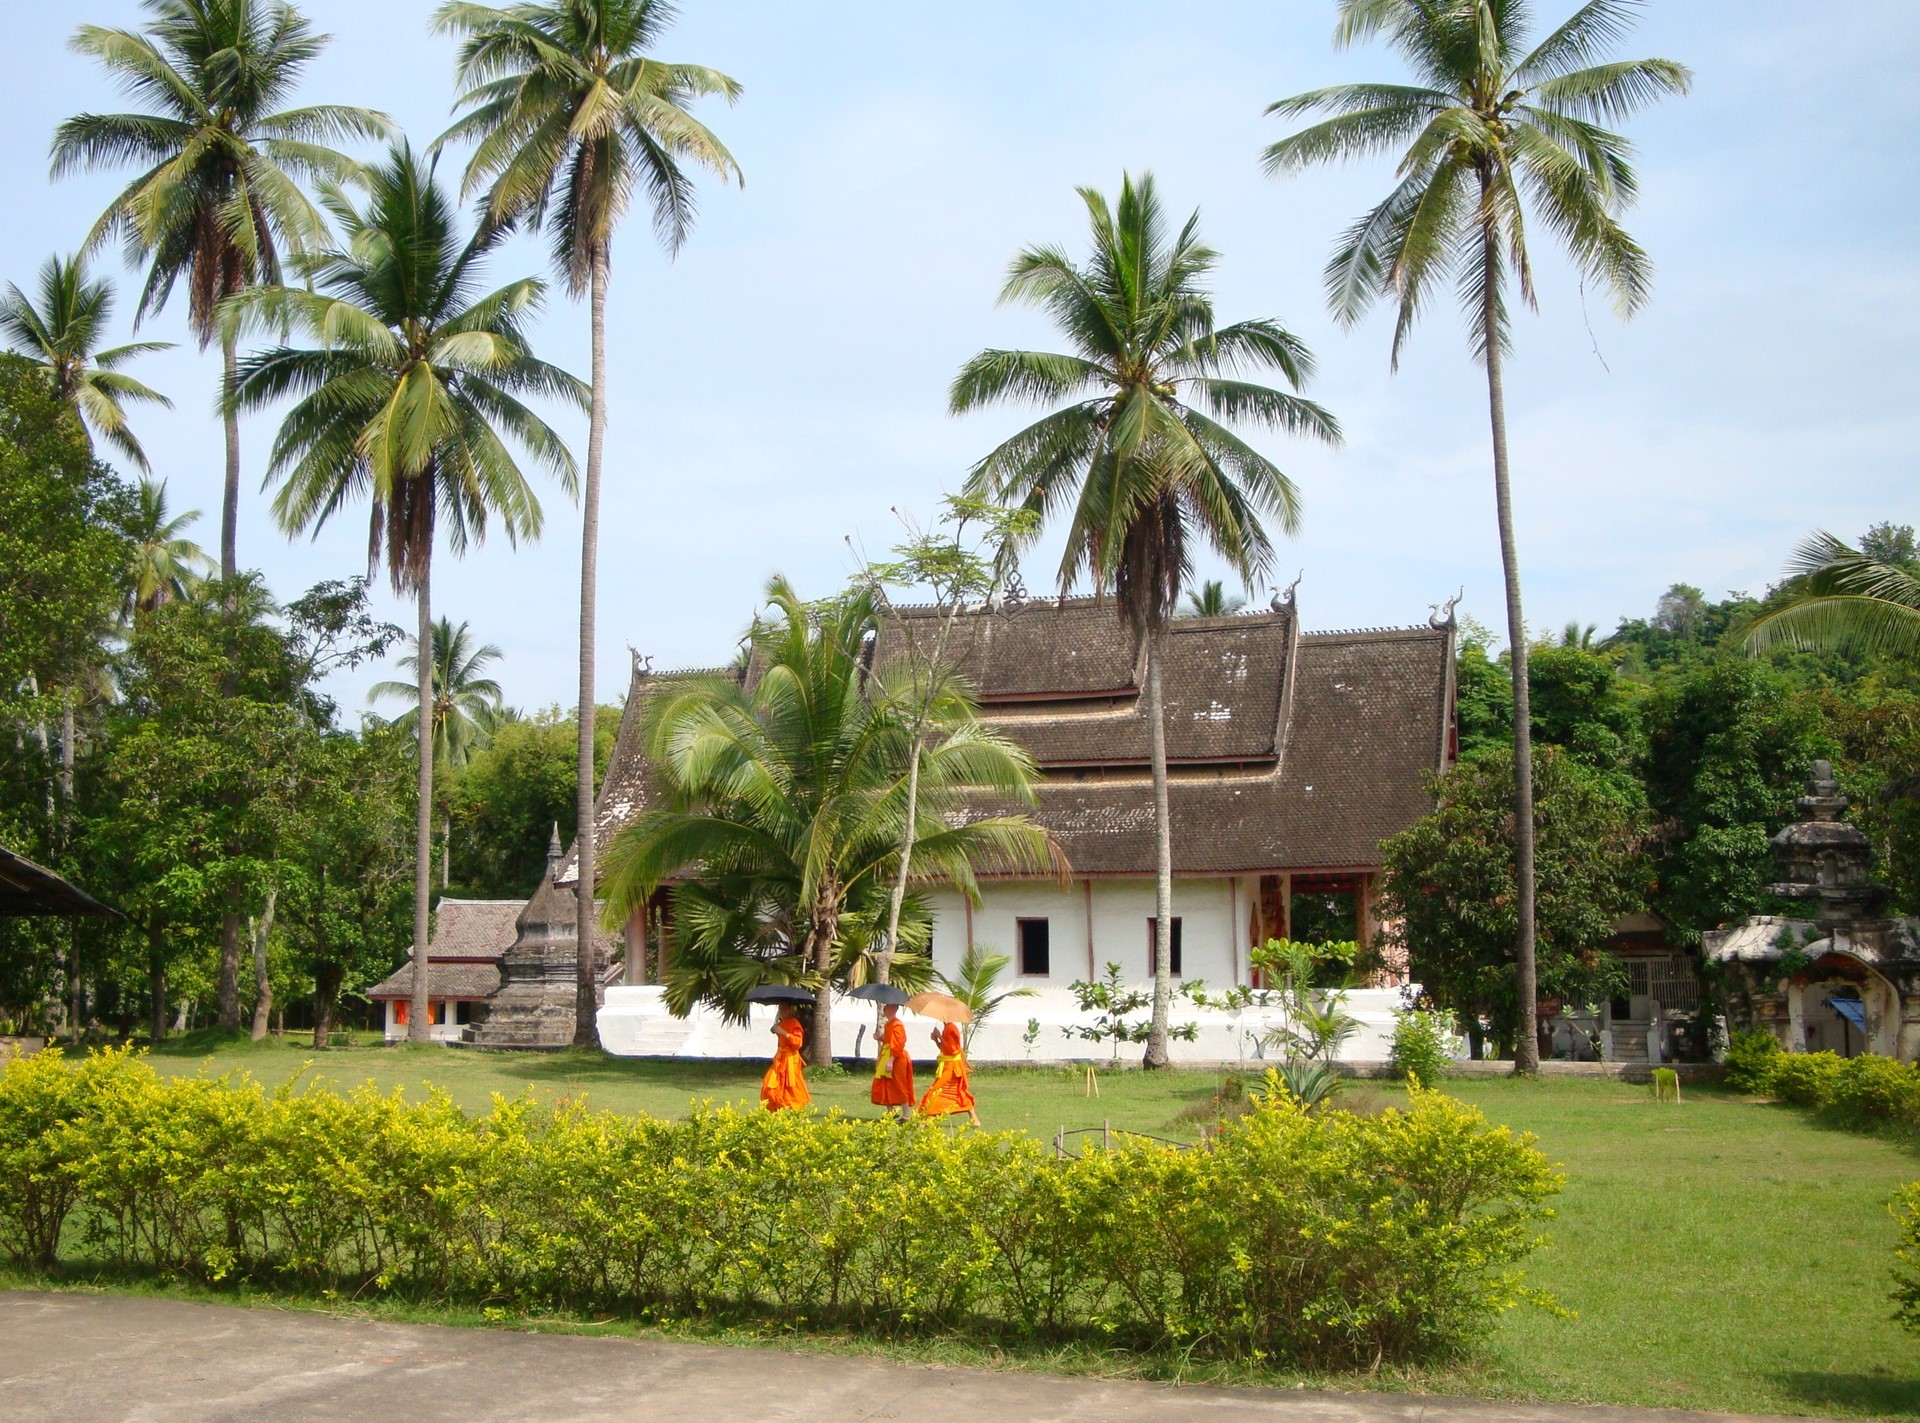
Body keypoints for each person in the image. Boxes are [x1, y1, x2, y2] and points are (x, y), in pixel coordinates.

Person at [917, 1020, 979, 1126]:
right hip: (947, 1065)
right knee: (956, 1092)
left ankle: (923, 1119)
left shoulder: (951, 1028)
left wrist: (939, 1037)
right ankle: (974, 1118)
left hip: (952, 1068)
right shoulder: (947, 1028)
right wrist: (936, 1040)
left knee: (936, 1091)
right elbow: (945, 1049)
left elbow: (953, 1050)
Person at [869, 1002, 915, 1121]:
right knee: (885, 1083)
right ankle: (891, 1111)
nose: (884, 1009)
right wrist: (880, 1038)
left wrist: (891, 1060)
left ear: (893, 1009)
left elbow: (899, 1043)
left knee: (899, 1084)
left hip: (896, 1058)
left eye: (887, 1007)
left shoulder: (897, 1024)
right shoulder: (889, 1023)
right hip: (887, 1055)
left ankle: (906, 1115)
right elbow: (888, 1040)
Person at [760, 1004, 810, 1112]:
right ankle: (777, 1105)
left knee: (791, 1085)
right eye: (779, 1009)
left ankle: (794, 1107)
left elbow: (798, 1042)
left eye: (783, 1009)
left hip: (790, 1059)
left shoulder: (794, 1023)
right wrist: (776, 1029)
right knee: (770, 1083)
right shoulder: (782, 1023)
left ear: (790, 1009)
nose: (781, 1012)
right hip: (780, 1059)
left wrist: (783, 1032)